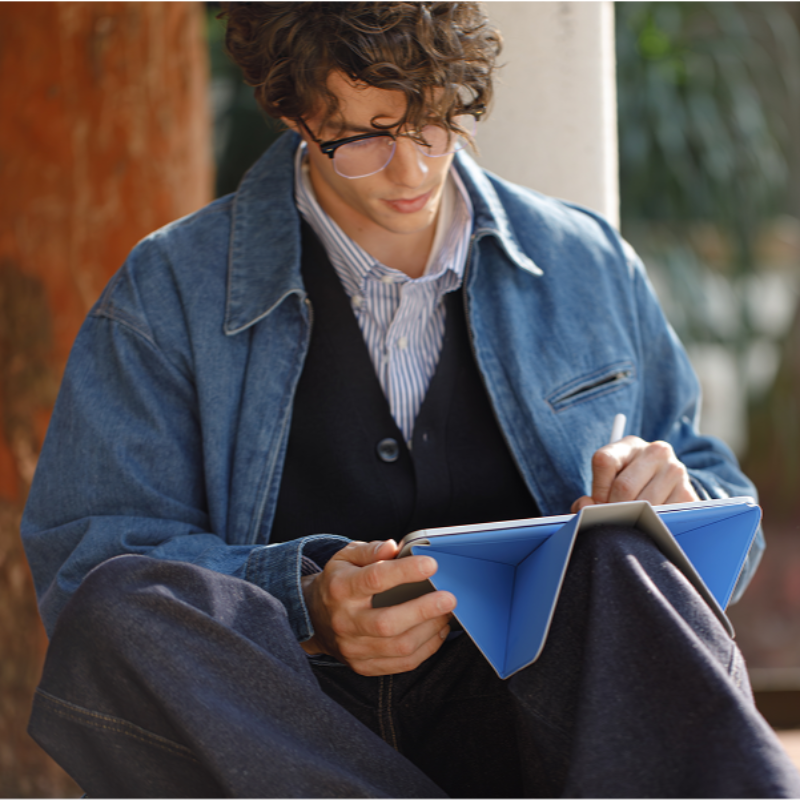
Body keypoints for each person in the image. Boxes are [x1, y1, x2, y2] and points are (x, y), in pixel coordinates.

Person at [20, 2, 799, 798]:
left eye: (432, 123)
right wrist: (310, 606)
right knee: (118, 608)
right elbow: (89, 557)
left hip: (535, 715)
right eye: (365, 137)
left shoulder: (586, 263)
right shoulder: (168, 289)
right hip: (287, 732)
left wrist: (676, 499)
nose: (414, 171)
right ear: (294, 114)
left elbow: (728, 520)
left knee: (629, 552)